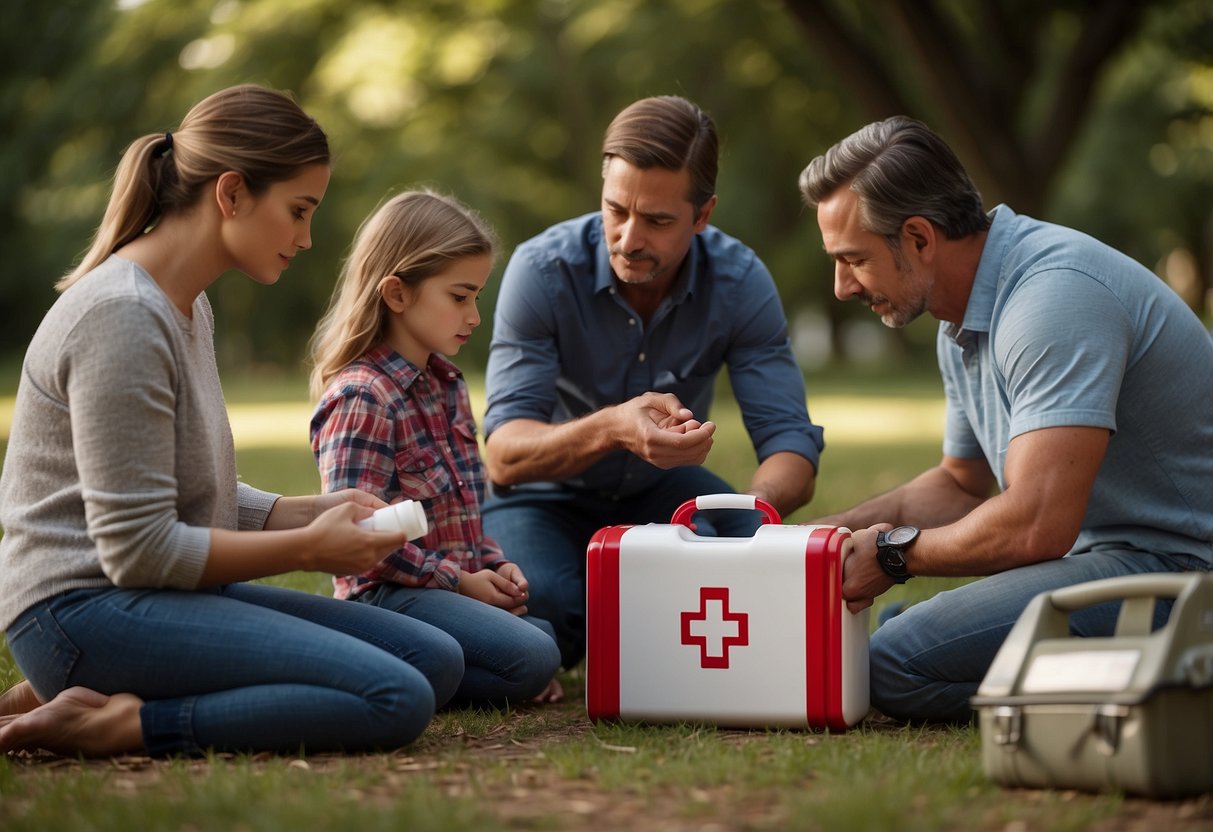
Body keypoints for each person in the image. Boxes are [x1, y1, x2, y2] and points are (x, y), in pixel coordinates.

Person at [0, 85, 466, 758]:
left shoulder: (187, 306)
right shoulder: (122, 316)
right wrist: (308, 549)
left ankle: (65, 693)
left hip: (145, 601)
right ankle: (112, 722)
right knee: (393, 697)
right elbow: (139, 549)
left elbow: (187, 490)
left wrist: (310, 511)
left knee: (433, 658)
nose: (307, 239)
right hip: (80, 614)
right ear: (232, 193)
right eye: (298, 211)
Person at [798, 115, 1213, 723]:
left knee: (891, 661)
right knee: (893, 630)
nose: (840, 287)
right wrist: (821, 541)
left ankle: (1177, 685)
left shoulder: (1054, 298)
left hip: (1187, 567)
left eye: (853, 259)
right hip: (1119, 561)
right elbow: (961, 485)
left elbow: (1037, 526)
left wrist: (893, 554)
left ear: (918, 238)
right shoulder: (958, 315)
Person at [481, 95, 825, 669]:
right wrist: (615, 427)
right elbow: (504, 455)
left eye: (659, 221)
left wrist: (750, 528)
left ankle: (650, 608)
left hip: (665, 490)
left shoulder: (741, 281)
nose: (629, 238)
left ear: (703, 215)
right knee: (548, 609)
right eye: (616, 210)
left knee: (766, 578)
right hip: (542, 496)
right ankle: (631, 612)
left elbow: (790, 441)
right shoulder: (542, 271)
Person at [308, 190, 563, 708]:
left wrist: (492, 566)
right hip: (386, 599)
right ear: (398, 293)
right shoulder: (363, 398)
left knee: (549, 636)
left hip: (443, 591)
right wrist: (461, 584)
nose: (473, 315)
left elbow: (466, 513)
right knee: (534, 653)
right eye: (459, 296)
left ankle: (504, 667)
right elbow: (359, 542)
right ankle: (375, 661)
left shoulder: (446, 385)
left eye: (477, 297)